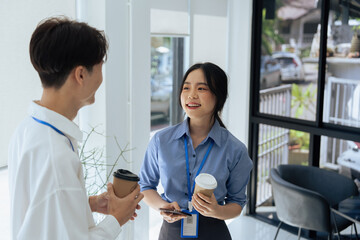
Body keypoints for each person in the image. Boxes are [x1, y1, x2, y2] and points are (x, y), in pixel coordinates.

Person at [8, 17, 143, 240]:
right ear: (80, 74)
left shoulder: (28, 128)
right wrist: (117, 218)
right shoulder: (56, 155)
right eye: (100, 66)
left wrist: (87, 203)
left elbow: (39, 211)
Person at [139, 62, 253, 239]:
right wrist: (162, 205)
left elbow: (237, 204)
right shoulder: (161, 141)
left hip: (213, 231)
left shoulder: (235, 150)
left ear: (218, 96)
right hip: (172, 230)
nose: (191, 95)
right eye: (186, 88)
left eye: (201, 89)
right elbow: (145, 186)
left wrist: (217, 210)